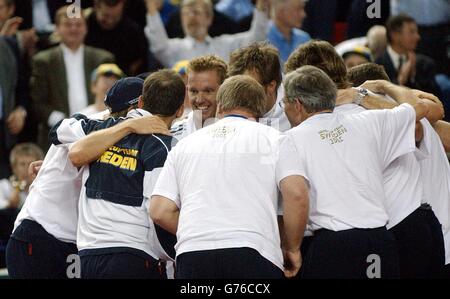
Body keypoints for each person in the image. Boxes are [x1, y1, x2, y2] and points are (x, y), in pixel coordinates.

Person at [5, 78, 167, 279]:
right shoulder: (96, 123)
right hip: (40, 235)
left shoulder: (124, 134)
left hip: (73, 244)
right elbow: (58, 132)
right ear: (139, 105)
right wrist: (130, 126)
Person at [150, 75, 309, 279]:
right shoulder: (273, 138)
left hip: (194, 255)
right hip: (252, 251)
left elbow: (159, 210)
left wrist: (201, 228)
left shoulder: (185, 144)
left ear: (220, 106)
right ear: (260, 111)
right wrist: (292, 248)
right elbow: (296, 194)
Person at [283, 65, 429, 279]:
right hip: (379, 242)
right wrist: (384, 85)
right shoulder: (369, 121)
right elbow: (420, 107)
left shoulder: (290, 140)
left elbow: (296, 197)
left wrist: (293, 249)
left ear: (297, 104)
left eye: (284, 102)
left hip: (333, 247)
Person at [50, 72, 184, 279]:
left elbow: (58, 132)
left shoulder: (102, 130)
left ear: (141, 101)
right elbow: (158, 212)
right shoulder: (164, 147)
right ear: (180, 110)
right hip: (134, 255)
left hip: (88, 257)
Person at [30, 6, 114, 151]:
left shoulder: (102, 58)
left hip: (95, 132)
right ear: (57, 28)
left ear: (86, 28)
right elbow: (36, 101)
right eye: (68, 24)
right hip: (57, 138)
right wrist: (56, 119)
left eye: (78, 24)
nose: (73, 29)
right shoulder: (43, 60)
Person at [144, 0, 270, 67]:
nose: (191, 17)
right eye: (186, 14)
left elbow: (257, 39)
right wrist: (151, 8)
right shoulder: (174, 48)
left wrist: (261, 7)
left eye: (196, 12)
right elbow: (158, 45)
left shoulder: (226, 44)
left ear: (209, 18)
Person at [228, 42, 290, 132]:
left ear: (271, 86)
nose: (241, 96)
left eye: (248, 87)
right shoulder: (226, 107)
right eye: (237, 87)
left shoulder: (296, 109)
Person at [375, 14, 441, 97]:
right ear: (395, 35)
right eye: (412, 32)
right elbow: (378, 96)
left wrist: (413, 76)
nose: (418, 37)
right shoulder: (377, 65)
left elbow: (436, 97)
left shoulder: (425, 64)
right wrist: (400, 80)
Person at [85, 0, 150, 76]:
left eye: (115, 17)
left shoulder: (133, 32)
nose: (110, 21)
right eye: (106, 16)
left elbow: (140, 64)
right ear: (96, 6)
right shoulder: (84, 26)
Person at [170, 54, 228, 140]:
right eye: (194, 91)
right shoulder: (173, 134)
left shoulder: (239, 133)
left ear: (224, 90)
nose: (199, 100)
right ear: (187, 89)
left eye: (208, 91)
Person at [267, 0, 310, 64]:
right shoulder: (263, 37)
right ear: (281, 11)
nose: (303, 14)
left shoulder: (304, 38)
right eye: (298, 9)